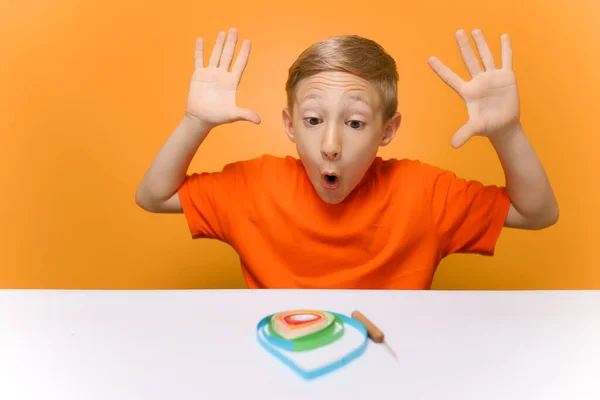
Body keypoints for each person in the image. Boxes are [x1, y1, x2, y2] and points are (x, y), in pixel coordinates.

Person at [135, 28, 558, 289]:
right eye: (314, 119)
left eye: (355, 123)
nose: (331, 144)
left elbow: (537, 212)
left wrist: (507, 132)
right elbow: (153, 196)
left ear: (387, 131)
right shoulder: (252, 187)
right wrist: (195, 121)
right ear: (290, 125)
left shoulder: (424, 193)